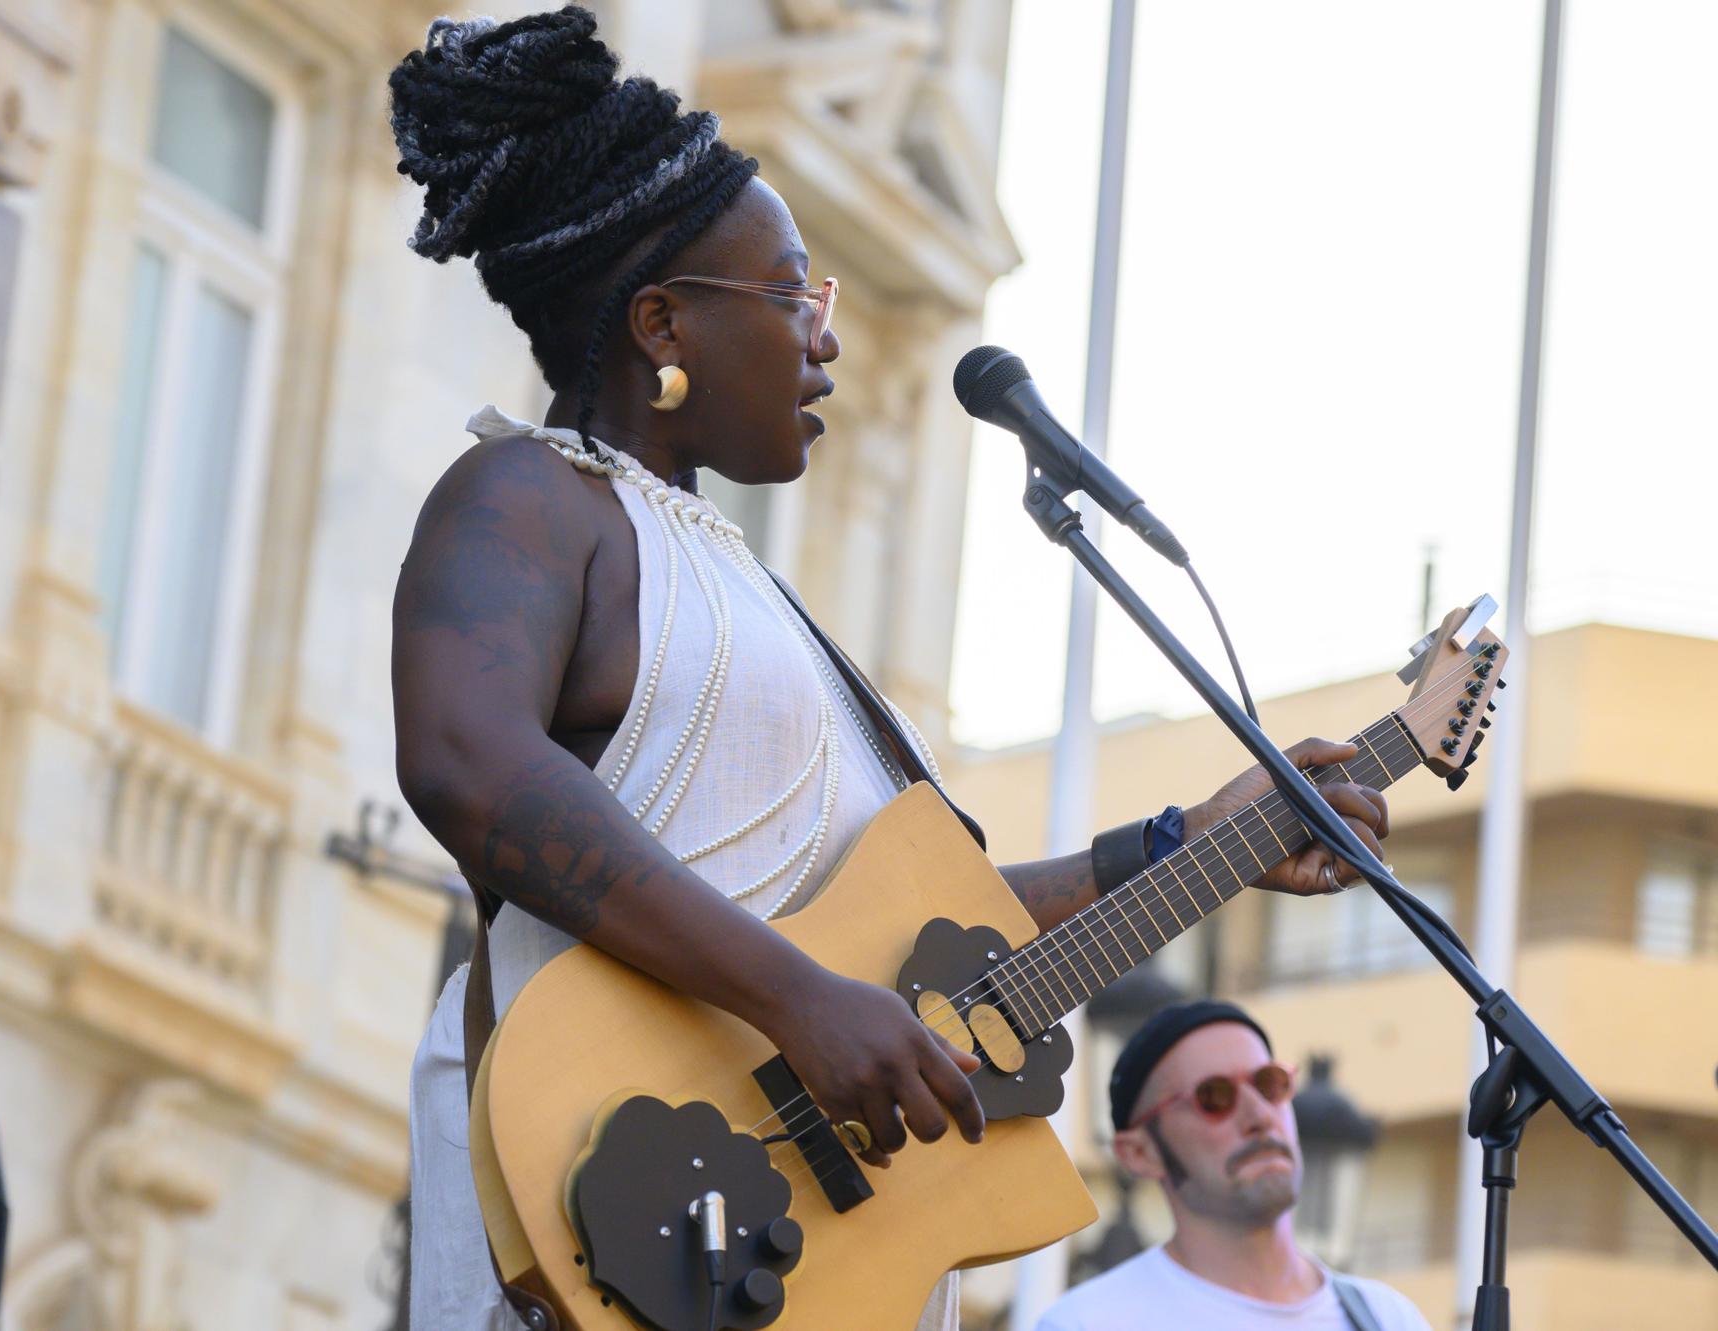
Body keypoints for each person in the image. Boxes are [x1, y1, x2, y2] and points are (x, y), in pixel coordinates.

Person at [386, 9, 1390, 1329]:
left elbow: (913, 946)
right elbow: (472, 764)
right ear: (660, 324)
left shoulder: (746, 584)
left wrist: (1192, 840)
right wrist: (799, 998)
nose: (825, 339)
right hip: (621, 1206)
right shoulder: (529, 493)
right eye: (793, 295)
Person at [1036, 1001, 1431, 1331]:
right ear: (1140, 1153)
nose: (1260, 1115)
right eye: (1214, 1096)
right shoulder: (1088, 1323)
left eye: (1269, 1083)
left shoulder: (1388, 1317)